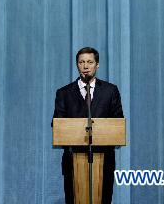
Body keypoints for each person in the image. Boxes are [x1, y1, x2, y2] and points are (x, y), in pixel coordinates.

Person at [53, 47, 123, 203]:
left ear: (97, 65)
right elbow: (57, 124)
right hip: (73, 159)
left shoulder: (110, 91)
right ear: (77, 65)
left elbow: (118, 122)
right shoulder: (63, 93)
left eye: (90, 62)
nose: (85, 66)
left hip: (104, 159)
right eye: (81, 62)